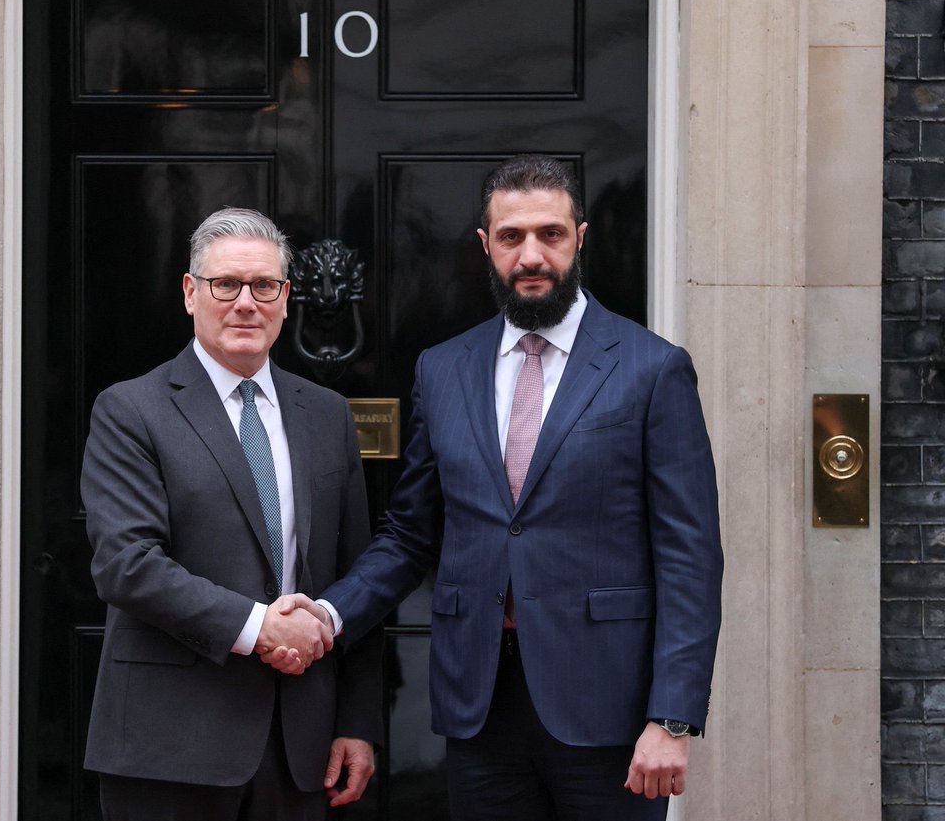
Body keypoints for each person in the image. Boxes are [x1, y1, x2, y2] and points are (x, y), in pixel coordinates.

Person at [270, 155, 724, 819]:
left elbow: (691, 557)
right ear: (486, 246)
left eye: (551, 234)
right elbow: (409, 532)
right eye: (512, 237)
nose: (532, 254)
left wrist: (673, 718)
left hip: (609, 709)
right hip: (479, 705)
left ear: (581, 238)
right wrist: (330, 614)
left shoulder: (652, 370)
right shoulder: (442, 369)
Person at [81, 207, 383, 821]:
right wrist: (257, 626)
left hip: (299, 744)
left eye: (264, 286)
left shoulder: (326, 415)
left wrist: (357, 721)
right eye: (226, 285)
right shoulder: (131, 410)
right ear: (191, 293)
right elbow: (127, 565)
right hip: (170, 743)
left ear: (286, 297)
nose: (246, 302)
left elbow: (357, 573)